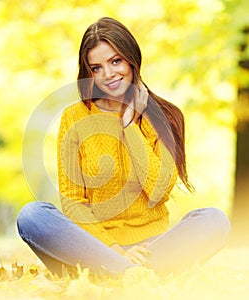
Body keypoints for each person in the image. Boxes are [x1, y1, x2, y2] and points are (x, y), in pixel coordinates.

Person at [17, 17, 230, 277]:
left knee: (214, 219)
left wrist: (129, 125)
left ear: (131, 59)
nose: (108, 74)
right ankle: (128, 274)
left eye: (115, 61)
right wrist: (116, 251)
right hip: (95, 247)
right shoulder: (75, 117)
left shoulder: (165, 116)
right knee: (32, 215)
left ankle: (116, 276)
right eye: (96, 67)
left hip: (155, 248)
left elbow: (158, 191)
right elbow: (73, 202)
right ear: (88, 73)